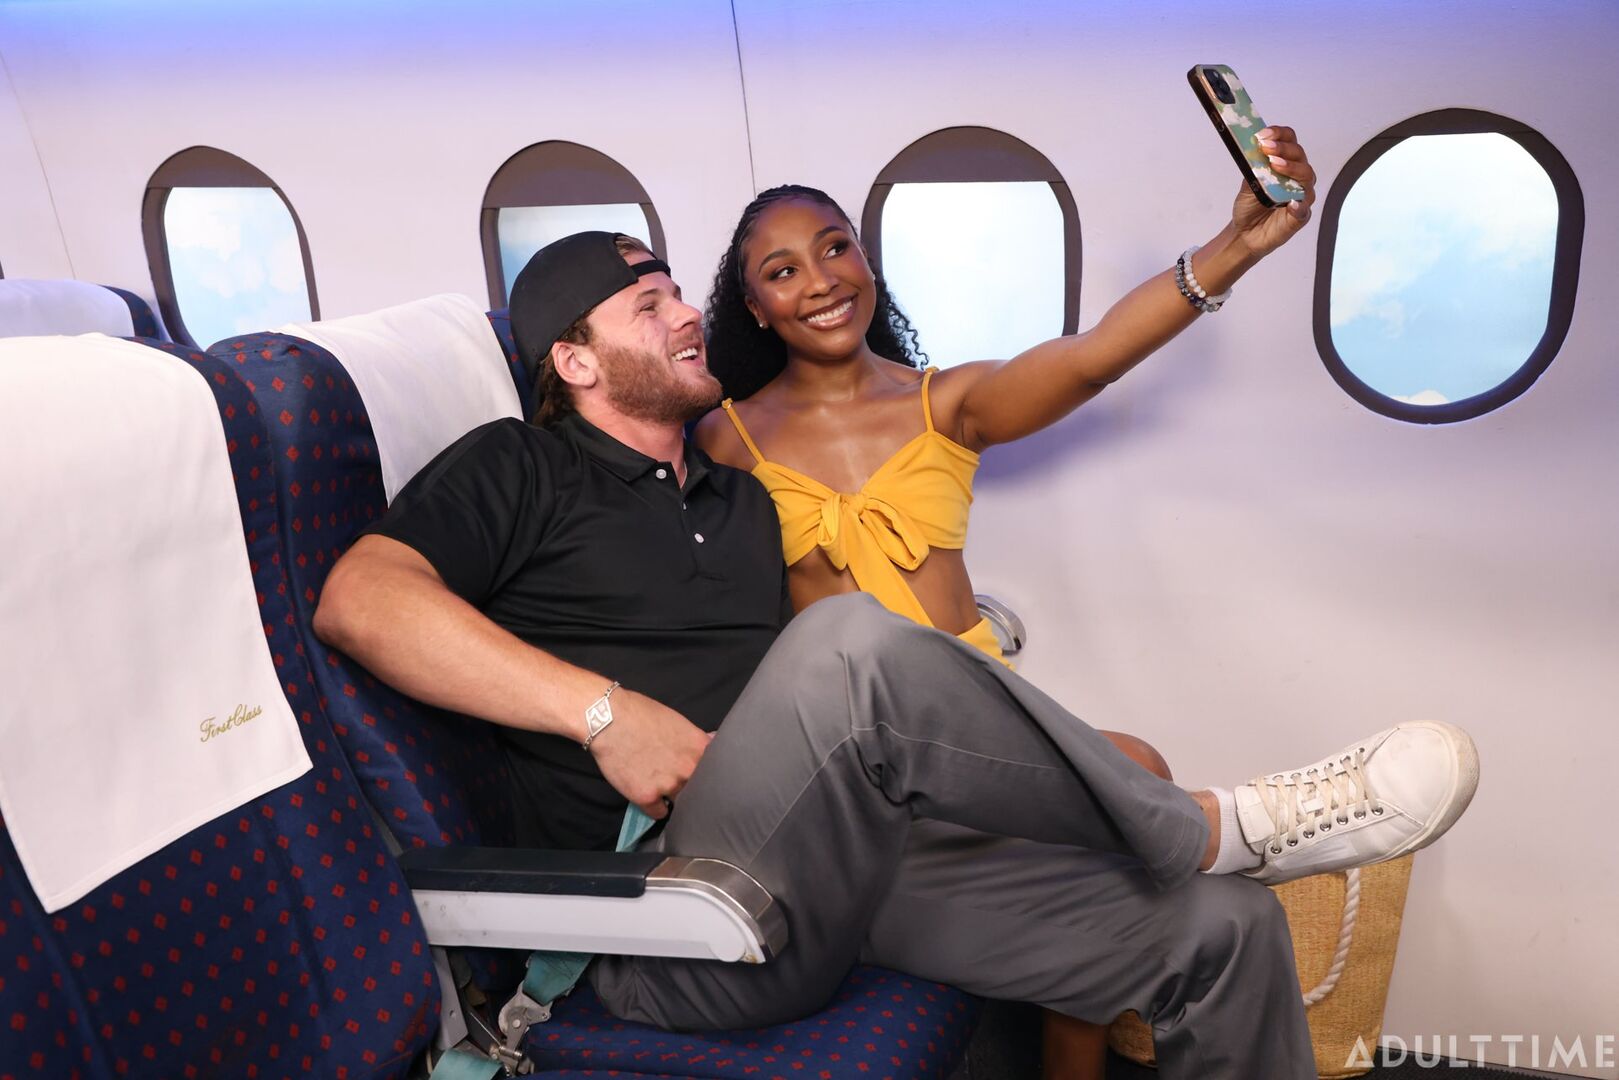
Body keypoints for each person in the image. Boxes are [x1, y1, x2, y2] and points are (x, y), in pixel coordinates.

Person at [311, 229, 1479, 1080]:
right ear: (574, 362)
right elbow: (362, 601)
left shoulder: (737, 495)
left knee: (1222, 932)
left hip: (829, 872)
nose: (683, 316)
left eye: (678, 293)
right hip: (670, 918)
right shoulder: (518, 465)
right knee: (845, 642)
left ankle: (1218, 861)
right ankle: (1220, 828)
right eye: (648, 305)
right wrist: (603, 714)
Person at [693, 133, 1319, 1076]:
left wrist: (1235, 248)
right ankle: (1229, 836)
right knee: (1128, 795)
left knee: (1140, 767)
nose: (819, 281)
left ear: (865, 261)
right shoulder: (722, 438)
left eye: (834, 248)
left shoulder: (947, 404)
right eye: (782, 272)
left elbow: (1094, 355)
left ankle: (1076, 1058)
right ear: (755, 308)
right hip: (856, 762)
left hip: (972, 725)